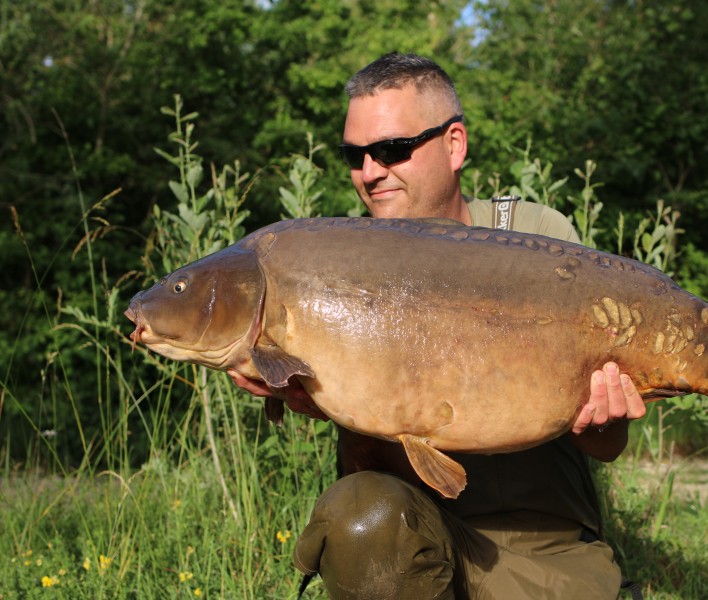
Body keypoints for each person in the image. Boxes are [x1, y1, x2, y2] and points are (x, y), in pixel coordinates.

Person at [229, 53, 646, 599]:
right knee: (362, 517)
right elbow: (364, 470)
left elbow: (607, 446)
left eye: (392, 149)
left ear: (454, 145)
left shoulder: (534, 235)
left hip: (538, 540)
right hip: (413, 531)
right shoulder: (337, 264)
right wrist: (321, 401)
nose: (371, 172)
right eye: (354, 156)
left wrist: (602, 417)